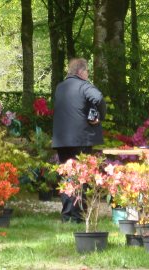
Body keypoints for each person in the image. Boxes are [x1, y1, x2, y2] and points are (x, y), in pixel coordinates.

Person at [52, 58, 106, 222]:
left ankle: (67, 214)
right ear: (81, 72)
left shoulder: (60, 88)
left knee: (67, 176)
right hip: (81, 139)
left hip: (62, 139)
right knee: (81, 176)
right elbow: (98, 97)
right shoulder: (84, 85)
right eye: (87, 71)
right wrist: (98, 117)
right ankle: (78, 215)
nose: (88, 74)